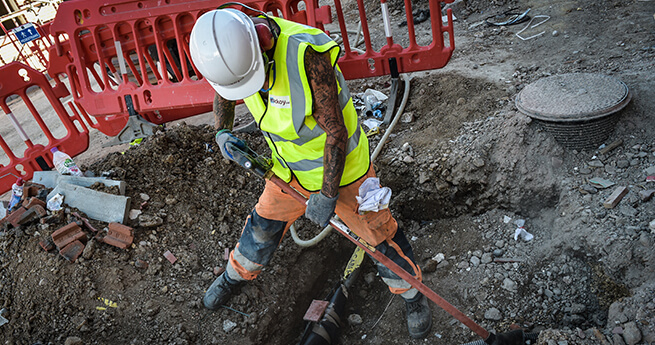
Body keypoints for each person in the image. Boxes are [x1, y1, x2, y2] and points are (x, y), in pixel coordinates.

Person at [189, 7, 432, 339]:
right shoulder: (230, 48)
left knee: (378, 237)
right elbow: (226, 87)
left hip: (343, 175)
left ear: (261, 43)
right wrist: (222, 131)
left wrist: (328, 194)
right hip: (287, 172)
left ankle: (413, 296)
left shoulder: (307, 56)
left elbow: (336, 133)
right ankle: (235, 275)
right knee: (261, 229)